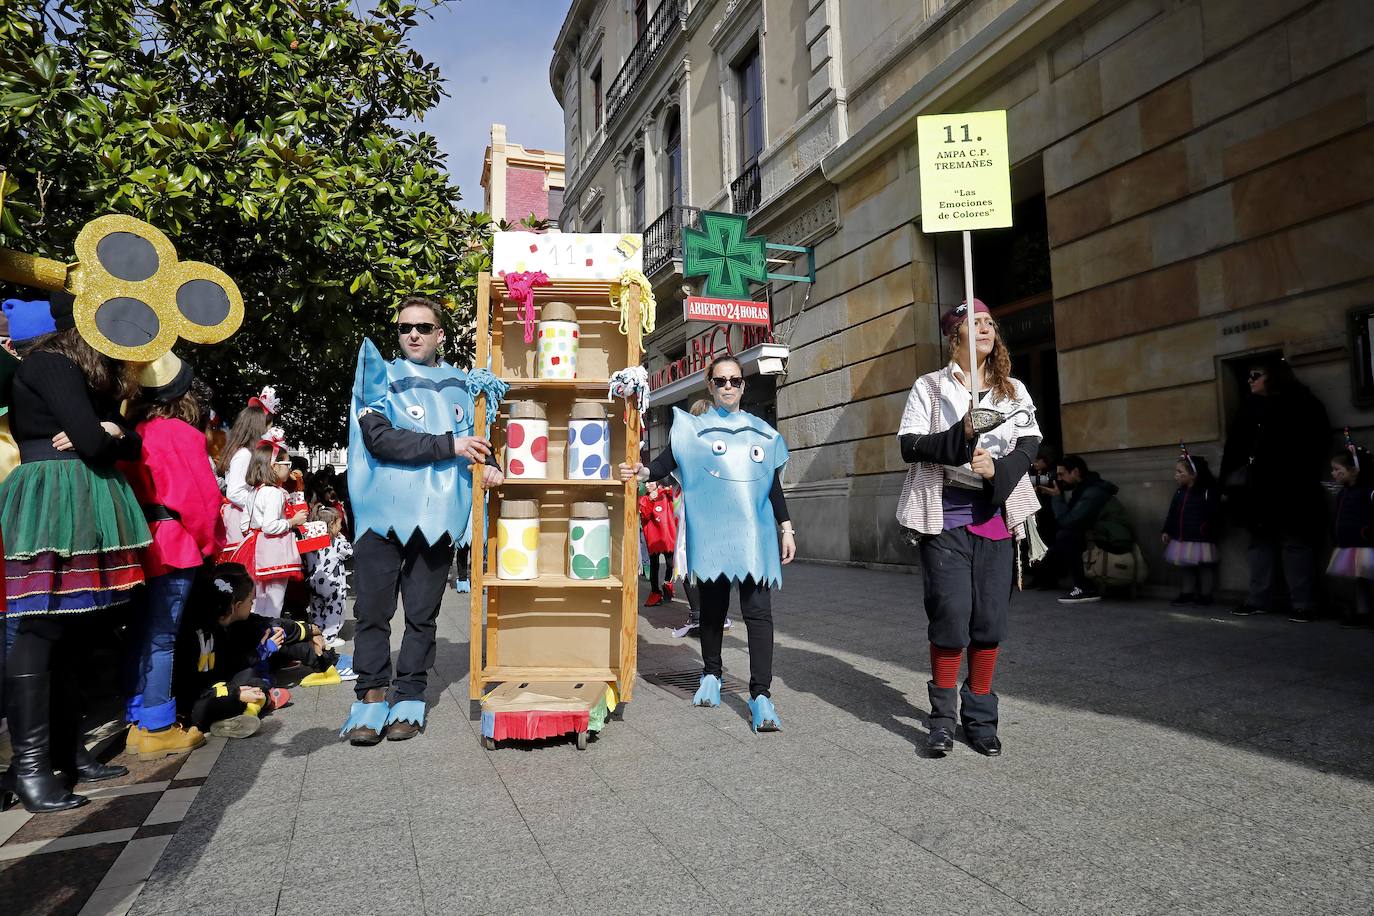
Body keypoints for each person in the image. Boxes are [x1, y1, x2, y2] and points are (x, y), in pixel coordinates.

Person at [0, 297, 151, 813]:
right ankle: (30, 766)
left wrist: (111, 432)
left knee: (72, 628)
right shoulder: (50, 363)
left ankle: (66, 752)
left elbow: (120, 441)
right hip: (52, 497)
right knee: (39, 625)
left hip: (78, 497)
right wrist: (104, 433)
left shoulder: (77, 370)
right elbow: (92, 439)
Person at [340, 296, 503, 745]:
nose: (413, 334)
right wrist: (450, 446)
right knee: (372, 611)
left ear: (440, 335)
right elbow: (380, 439)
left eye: (424, 327)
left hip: (436, 519)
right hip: (381, 517)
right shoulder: (378, 375)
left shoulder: (466, 386)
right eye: (405, 327)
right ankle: (371, 695)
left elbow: (483, 442)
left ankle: (410, 696)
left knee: (422, 615)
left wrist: (488, 464)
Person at [895, 299, 1041, 757]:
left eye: (989, 323)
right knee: (951, 618)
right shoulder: (930, 387)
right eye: (973, 323)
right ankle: (941, 719)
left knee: (989, 623)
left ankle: (980, 718)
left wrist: (997, 470)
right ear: (953, 335)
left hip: (995, 518)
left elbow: (1030, 441)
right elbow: (910, 444)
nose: (984, 329)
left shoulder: (1012, 389)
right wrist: (962, 436)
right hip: (946, 519)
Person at [620, 355, 795, 733]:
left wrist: (787, 527)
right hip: (715, 535)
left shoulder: (761, 432)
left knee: (758, 613)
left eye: (734, 380)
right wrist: (643, 470)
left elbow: (772, 484)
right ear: (710, 385)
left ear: (743, 385)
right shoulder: (692, 430)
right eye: (721, 381)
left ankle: (761, 694)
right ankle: (712, 674)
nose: (728, 386)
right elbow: (666, 462)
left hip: (756, 537)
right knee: (712, 612)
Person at [118, 352, 224, 759]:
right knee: (162, 636)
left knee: (141, 633)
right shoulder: (179, 433)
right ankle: (158, 724)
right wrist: (208, 544)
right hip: (174, 543)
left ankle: (137, 716)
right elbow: (199, 501)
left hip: (138, 542)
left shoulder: (134, 430)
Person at [1221, 356, 1330, 621]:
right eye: (1248, 376)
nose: (1250, 380)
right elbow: (1234, 448)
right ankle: (1258, 599)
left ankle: (1303, 603)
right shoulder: (1249, 408)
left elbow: (1317, 443)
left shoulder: (1303, 403)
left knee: (1295, 542)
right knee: (1260, 543)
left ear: (1273, 375)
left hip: (1292, 487)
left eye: (1255, 374)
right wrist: (1226, 483)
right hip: (1257, 489)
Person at [174, 563, 271, 739]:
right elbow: (190, 691)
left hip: (218, 688)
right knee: (206, 707)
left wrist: (237, 688)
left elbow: (225, 668)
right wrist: (237, 694)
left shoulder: (217, 629)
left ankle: (238, 717)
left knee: (253, 678)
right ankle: (247, 711)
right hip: (197, 700)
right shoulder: (189, 636)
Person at [231, 429, 307, 615]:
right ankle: (271, 636)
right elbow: (270, 526)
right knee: (274, 601)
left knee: (257, 600)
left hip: (255, 549)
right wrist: (292, 522)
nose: (290, 468)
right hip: (274, 551)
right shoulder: (274, 493)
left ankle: (258, 637)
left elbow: (244, 524)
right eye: (287, 463)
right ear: (274, 466)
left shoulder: (254, 491)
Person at [1042, 454, 1133, 604]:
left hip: (1113, 538)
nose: (1059, 479)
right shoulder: (1084, 489)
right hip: (1101, 533)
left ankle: (1083, 588)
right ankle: (1049, 578)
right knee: (1062, 538)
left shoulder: (1092, 492)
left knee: (1066, 536)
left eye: (1062, 474)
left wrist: (1057, 497)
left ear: (1076, 472)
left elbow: (1068, 521)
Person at [217, 387, 277, 561]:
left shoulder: (247, 453)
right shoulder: (244, 455)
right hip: (238, 519)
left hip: (245, 515)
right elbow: (235, 492)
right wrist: (263, 502)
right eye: (269, 425)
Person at [1160, 450, 1221, 606]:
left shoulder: (1207, 492)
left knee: (1204, 567)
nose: (1176, 475)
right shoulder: (1180, 492)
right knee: (1186, 567)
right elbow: (1172, 513)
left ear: (1193, 474)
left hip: (1201, 536)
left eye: (1180, 471)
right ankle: (1187, 593)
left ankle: (1206, 595)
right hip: (1183, 536)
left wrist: (1207, 528)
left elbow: (1215, 514)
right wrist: (1167, 530)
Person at [1327, 447, 1373, 628]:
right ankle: (1362, 613)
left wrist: (1369, 530)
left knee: (1369, 581)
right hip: (1349, 544)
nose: (1334, 473)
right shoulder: (1343, 493)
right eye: (1333, 469)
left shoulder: (1368, 491)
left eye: (1339, 470)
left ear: (1355, 470)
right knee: (1358, 581)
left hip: (1367, 544)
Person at [303, 504, 352, 648]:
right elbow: (349, 552)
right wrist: (341, 537)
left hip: (314, 582)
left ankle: (317, 633)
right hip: (333, 584)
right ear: (331, 525)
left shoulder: (311, 542)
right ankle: (329, 636)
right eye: (339, 524)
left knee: (316, 608)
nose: (341, 528)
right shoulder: (336, 542)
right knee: (335, 609)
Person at [640, 478, 677, 606]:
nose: (647, 485)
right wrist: (650, 499)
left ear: (657, 483)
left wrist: (667, 490)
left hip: (667, 536)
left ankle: (667, 583)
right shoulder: (644, 499)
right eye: (646, 483)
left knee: (670, 564)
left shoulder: (666, 495)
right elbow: (644, 514)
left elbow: (676, 496)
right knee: (654, 566)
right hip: (653, 537)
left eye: (650, 482)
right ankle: (655, 591)